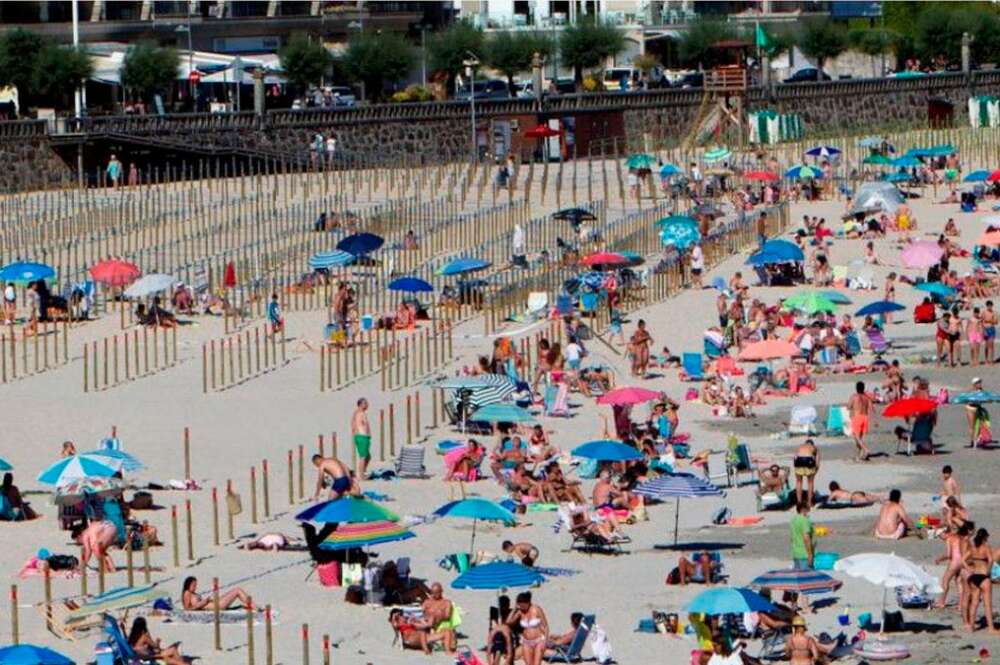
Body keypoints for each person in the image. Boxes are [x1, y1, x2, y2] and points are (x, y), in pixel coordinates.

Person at [964, 528, 999, 634]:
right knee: (987, 604)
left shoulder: (973, 548)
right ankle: (991, 628)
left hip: (974, 576)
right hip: (983, 577)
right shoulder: (986, 547)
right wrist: (988, 572)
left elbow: (963, 560)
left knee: (974, 603)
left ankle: (971, 627)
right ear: (985, 537)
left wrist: (969, 568)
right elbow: (991, 560)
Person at [935, 522, 973, 610]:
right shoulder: (958, 536)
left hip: (955, 562)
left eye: (939, 535)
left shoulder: (949, 538)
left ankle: (941, 602)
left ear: (944, 532)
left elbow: (949, 555)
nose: (940, 538)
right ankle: (960, 605)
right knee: (958, 581)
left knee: (945, 581)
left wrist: (940, 559)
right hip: (962, 562)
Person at [507, 591, 548, 665]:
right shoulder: (520, 612)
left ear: (528, 602)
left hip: (539, 641)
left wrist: (545, 641)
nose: (522, 607)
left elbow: (545, 626)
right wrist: (514, 610)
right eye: (520, 605)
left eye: (523, 605)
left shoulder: (536, 609)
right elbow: (509, 622)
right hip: (526, 642)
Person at [421, 583, 457, 652]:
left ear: (441, 591)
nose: (435, 594)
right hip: (427, 625)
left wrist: (437, 615)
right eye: (433, 592)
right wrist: (428, 616)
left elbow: (447, 615)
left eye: (437, 592)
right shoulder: (427, 602)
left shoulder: (446, 602)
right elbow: (420, 613)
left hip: (439, 625)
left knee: (436, 614)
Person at [182, 576, 252, 611]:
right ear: (188, 585)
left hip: (213, 603)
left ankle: (253, 606)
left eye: (196, 585)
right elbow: (187, 609)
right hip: (216, 606)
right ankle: (255, 608)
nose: (195, 587)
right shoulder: (187, 593)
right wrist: (203, 602)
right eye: (193, 585)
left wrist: (206, 601)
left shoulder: (192, 593)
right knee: (237, 590)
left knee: (235, 590)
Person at [847, 381, 873, 461]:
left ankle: (866, 449)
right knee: (860, 438)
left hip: (857, 417)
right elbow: (870, 408)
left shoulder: (854, 396)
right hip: (865, 417)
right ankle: (859, 455)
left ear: (856, 388)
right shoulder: (866, 398)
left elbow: (849, 406)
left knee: (857, 437)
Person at [792, 439, 819, 507]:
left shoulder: (800, 446)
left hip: (799, 460)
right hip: (808, 460)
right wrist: (815, 471)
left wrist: (796, 467)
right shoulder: (814, 447)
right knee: (810, 483)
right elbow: (817, 462)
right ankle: (809, 502)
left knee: (798, 482)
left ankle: (799, 502)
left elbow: (795, 458)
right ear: (812, 444)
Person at [790, 501, 814, 570]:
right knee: (808, 578)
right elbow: (806, 538)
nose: (809, 509)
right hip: (804, 554)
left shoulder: (794, 520)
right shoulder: (804, 520)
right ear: (803, 509)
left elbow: (792, 538)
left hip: (796, 553)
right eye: (808, 508)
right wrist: (810, 554)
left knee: (798, 576)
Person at [351, 398, 371, 479]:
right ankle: (361, 475)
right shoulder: (360, 413)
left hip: (361, 436)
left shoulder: (356, 413)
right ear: (360, 404)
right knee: (363, 457)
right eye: (365, 403)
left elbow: (352, 424)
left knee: (368, 456)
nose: (367, 405)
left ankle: (363, 471)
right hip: (362, 436)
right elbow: (361, 424)